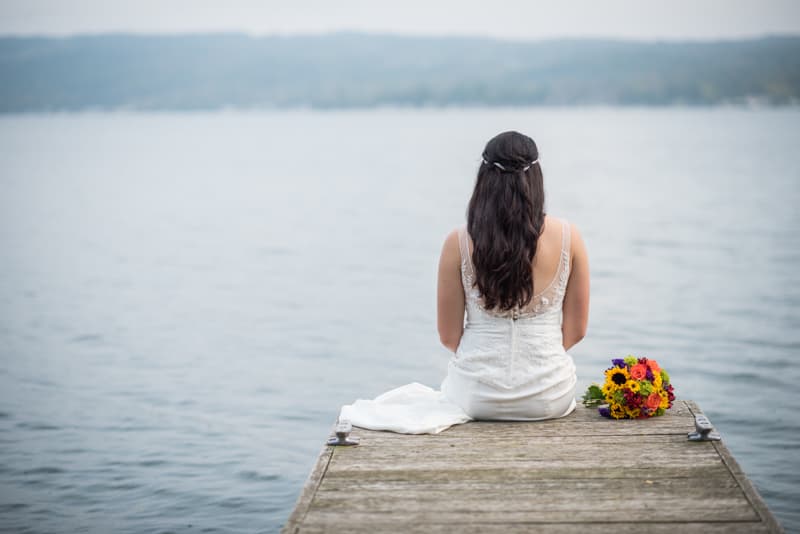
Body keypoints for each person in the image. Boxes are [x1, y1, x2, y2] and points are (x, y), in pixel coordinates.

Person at [339, 130, 590, 434]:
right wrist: (537, 363)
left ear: (484, 178)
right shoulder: (569, 237)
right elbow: (576, 331)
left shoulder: (457, 242)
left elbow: (448, 336)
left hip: (475, 397)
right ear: (536, 176)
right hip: (550, 397)